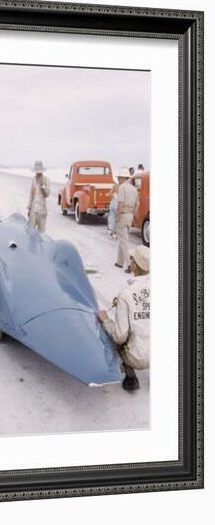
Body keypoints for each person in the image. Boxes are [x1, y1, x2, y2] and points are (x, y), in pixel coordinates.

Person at [97, 245, 150, 392]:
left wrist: (105, 319)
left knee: (114, 334)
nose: (130, 261)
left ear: (135, 265)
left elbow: (119, 337)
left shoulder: (126, 294)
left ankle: (131, 376)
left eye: (131, 259)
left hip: (137, 357)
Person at [114, 167, 139, 272]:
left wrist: (118, 216)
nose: (118, 180)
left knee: (124, 241)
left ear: (123, 178)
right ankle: (120, 262)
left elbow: (121, 203)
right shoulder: (133, 188)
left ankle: (129, 265)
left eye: (119, 178)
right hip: (130, 215)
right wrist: (133, 215)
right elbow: (138, 203)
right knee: (122, 238)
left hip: (123, 214)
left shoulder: (122, 187)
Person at [27, 161, 51, 233]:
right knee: (30, 233)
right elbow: (31, 195)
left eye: (39, 171)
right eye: (36, 171)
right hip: (33, 212)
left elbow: (47, 194)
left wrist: (42, 186)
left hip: (42, 212)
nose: (38, 173)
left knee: (41, 234)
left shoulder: (46, 179)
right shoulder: (33, 179)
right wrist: (29, 208)